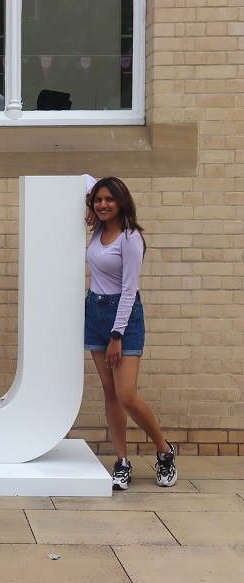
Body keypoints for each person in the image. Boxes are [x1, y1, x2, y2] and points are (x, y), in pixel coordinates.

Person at [85, 177, 177, 490]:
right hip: (94, 312)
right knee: (110, 393)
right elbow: (83, 178)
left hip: (123, 319)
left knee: (127, 395)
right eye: (98, 199)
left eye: (109, 199)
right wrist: (90, 204)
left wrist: (116, 335)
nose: (102, 204)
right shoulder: (98, 228)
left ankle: (164, 451)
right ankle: (121, 462)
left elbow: (128, 290)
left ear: (122, 201)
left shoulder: (130, 237)